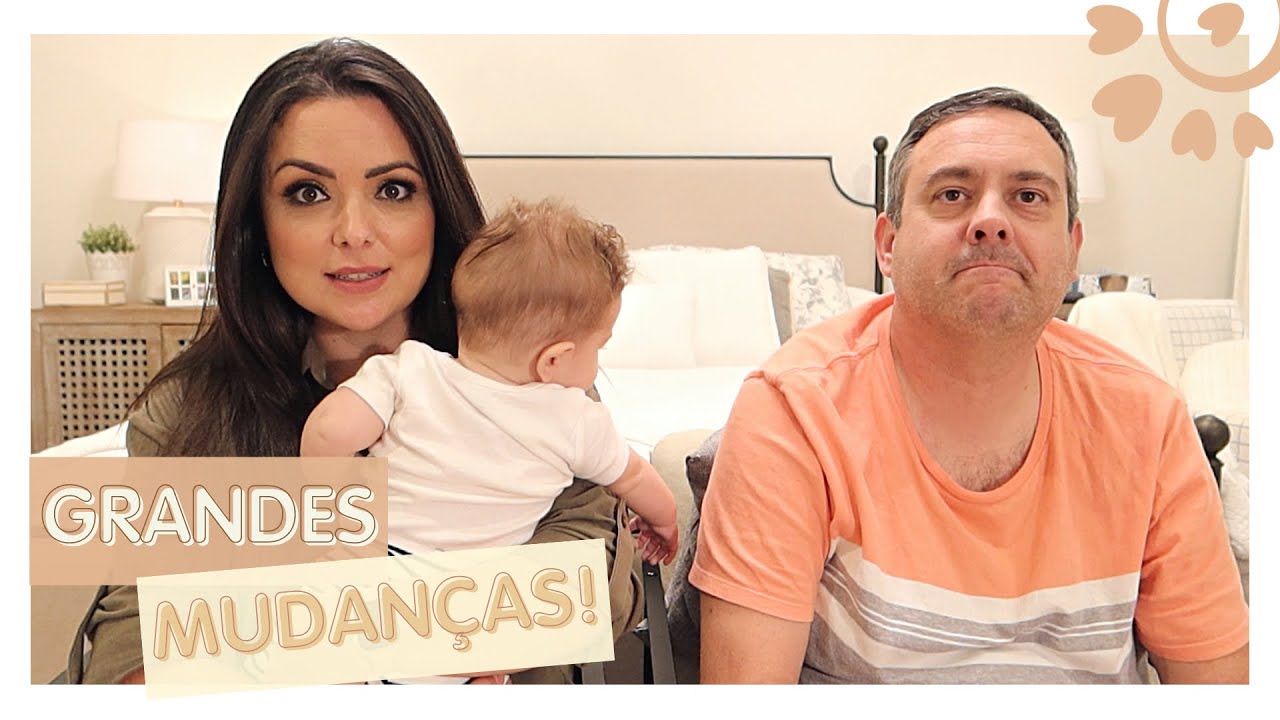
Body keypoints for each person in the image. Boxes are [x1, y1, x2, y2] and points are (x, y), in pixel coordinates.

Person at [68, 37, 643, 686]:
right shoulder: (185, 411)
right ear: (258, 225)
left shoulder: (536, 373)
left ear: (437, 207)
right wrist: (457, 623)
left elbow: (600, 585)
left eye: (393, 189)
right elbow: (131, 662)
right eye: (308, 193)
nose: (354, 231)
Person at [690, 87, 1249, 684]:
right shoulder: (793, 415)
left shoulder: (1149, 419)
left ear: (1072, 250)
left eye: (1028, 197)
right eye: (952, 195)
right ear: (888, 245)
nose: (990, 222)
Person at [301, 198, 679, 565]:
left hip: (378, 555)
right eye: (599, 347)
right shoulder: (577, 420)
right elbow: (634, 478)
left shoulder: (411, 369)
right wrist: (663, 522)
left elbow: (329, 432)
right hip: (479, 583)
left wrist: (334, 519)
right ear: (553, 360)